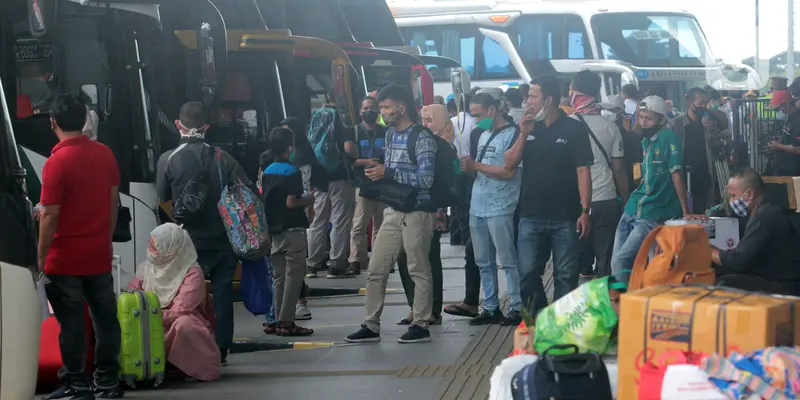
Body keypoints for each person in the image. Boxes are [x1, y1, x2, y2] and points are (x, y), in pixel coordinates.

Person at [39, 94, 123, 399]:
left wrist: (40, 256)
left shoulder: (55, 162)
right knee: (106, 321)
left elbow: (49, 215)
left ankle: (78, 385)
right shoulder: (105, 155)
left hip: (64, 261)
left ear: (53, 123)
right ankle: (108, 382)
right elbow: (113, 204)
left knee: (72, 325)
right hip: (98, 254)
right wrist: (106, 237)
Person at [156, 101, 252, 366]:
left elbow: (162, 196)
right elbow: (245, 190)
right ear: (207, 127)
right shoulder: (223, 157)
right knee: (222, 293)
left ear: (178, 125)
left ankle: (189, 345)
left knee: (186, 294)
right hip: (223, 237)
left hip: (188, 242)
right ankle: (221, 349)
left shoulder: (168, 158)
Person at [345, 84, 437, 344]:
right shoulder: (389, 137)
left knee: (418, 267)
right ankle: (370, 324)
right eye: (380, 108)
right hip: (393, 209)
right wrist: (380, 170)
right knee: (376, 268)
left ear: (402, 108)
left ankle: (421, 323)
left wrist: (389, 173)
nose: (382, 113)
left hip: (418, 211)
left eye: (385, 108)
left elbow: (426, 179)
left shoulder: (422, 137)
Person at [505, 76, 593, 316]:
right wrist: (523, 135)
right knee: (528, 272)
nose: (528, 102)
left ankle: (562, 327)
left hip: (566, 216)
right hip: (531, 215)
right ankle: (539, 322)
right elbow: (509, 164)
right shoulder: (526, 126)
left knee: (566, 276)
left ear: (549, 99)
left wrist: (585, 211)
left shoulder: (574, 128)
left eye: (533, 96)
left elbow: (583, 170)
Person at [610, 96, 693, 285]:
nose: (643, 122)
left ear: (661, 119)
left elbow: (676, 173)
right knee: (624, 262)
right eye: (641, 117)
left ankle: (623, 305)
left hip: (651, 213)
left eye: (649, 118)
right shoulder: (647, 139)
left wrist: (685, 210)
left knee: (621, 260)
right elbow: (637, 130)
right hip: (633, 207)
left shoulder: (667, 137)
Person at [127, 223, 221, 382]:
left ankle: (187, 366)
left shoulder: (192, 273)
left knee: (185, 324)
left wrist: (149, 315)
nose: (151, 250)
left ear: (171, 248)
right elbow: (132, 295)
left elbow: (180, 310)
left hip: (172, 322)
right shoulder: (147, 268)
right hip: (152, 319)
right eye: (151, 245)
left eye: (155, 246)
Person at [460, 93, 523, 325]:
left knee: (507, 258)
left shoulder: (513, 134)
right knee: (482, 260)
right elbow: (481, 169)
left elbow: (509, 171)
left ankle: (516, 305)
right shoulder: (482, 134)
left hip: (501, 204)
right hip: (478, 204)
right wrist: (470, 168)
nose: (476, 120)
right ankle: (490, 305)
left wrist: (476, 165)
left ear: (492, 110)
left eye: (478, 115)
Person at [396, 104, 453, 326]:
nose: (426, 125)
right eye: (423, 120)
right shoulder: (414, 140)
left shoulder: (444, 146)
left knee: (429, 258)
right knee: (404, 257)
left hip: (432, 207)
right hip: (407, 205)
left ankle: (432, 309)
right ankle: (415, 306)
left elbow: (445, 179)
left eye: (431, 120)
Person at [569, 71, 629, 282]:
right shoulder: (610, 126)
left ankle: (581, 306)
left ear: (574, 91)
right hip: (606, 200)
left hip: (575, 202)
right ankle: (607, 306)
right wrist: (626, 200)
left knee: (579, 265)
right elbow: (619, 168)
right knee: (605, 262)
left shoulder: (567, 124)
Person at [261, 127, 316, 336]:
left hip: (274, 231)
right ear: (289, 147)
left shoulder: (267, 171)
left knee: (279, 277)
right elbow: (291, 202)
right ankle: (287, 322)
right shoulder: (292, 171)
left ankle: (275, 319)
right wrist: (309, 199)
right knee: (294, 276)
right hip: (292, 230)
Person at [712, 168, 800, 295]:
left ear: (749, 194)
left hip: (786, 287)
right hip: (771, 277)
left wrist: (706, 249)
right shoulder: (760, 212)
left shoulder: (766, 217)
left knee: (725, 283)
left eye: (733, 196)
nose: (731, 201)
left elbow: (737, 261)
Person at [306, 95, 358, 278]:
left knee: (318, 221)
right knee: (339, 221)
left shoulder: (315, 117)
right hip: (339, 176)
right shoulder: (342, 118)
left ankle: (312, 265)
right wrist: (356, 155)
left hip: (319, 177)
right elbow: (349, 148)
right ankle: (336, 265)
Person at [671, 87, 729, 214]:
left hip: (705, 179)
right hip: (683, 179)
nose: (703, 106)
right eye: (699, 103)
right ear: (689, 102)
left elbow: (719, 149)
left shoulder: (710, 122)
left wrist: (711, 130)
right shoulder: (676, 125)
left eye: (705, 102)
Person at [349, 97, 388, 275]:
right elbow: (349, 160)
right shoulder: (354, 132)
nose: (368, 111)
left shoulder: (386, 132)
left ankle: (380, 260)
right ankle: (356, 260)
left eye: (372, 108)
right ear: (360, 111)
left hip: (382, 184)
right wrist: (367, 161)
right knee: (359, 224)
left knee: (381, 225)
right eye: (365, 108)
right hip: (362, 184)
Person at [601, 95, 642, 193]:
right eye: (603, 109)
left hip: (627, 189)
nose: (605, 112)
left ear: (620, 113)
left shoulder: (631, 139)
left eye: (610, 109)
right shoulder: (599, 134)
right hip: (605, 189)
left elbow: (636, 168)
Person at [766, 90, 800, 176]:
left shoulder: (798, 120)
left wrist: (779, 146)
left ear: (787, 104)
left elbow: (798, 148)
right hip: (783, 168)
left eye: (781, 107)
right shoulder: (790, 117)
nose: (780, 110)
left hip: (794, 171)